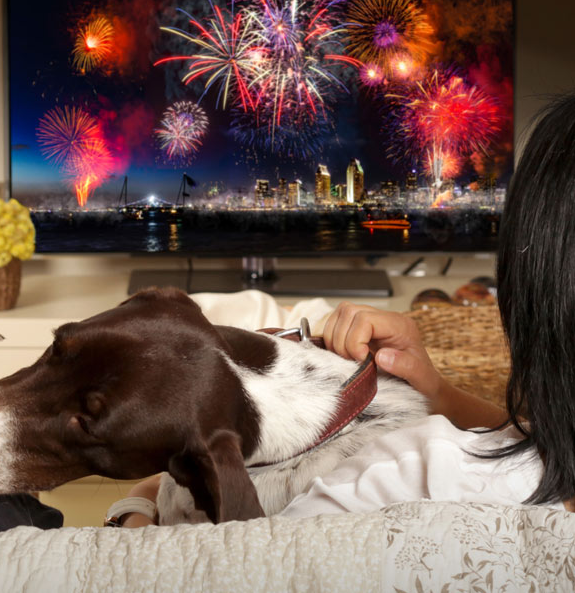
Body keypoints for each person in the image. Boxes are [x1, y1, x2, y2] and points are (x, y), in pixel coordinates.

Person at [115, 93, 575, 525]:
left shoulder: (411, 470)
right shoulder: (535, 479)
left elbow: (221, 559)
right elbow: (543, 446)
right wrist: (439, 394)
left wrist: (134, 508)